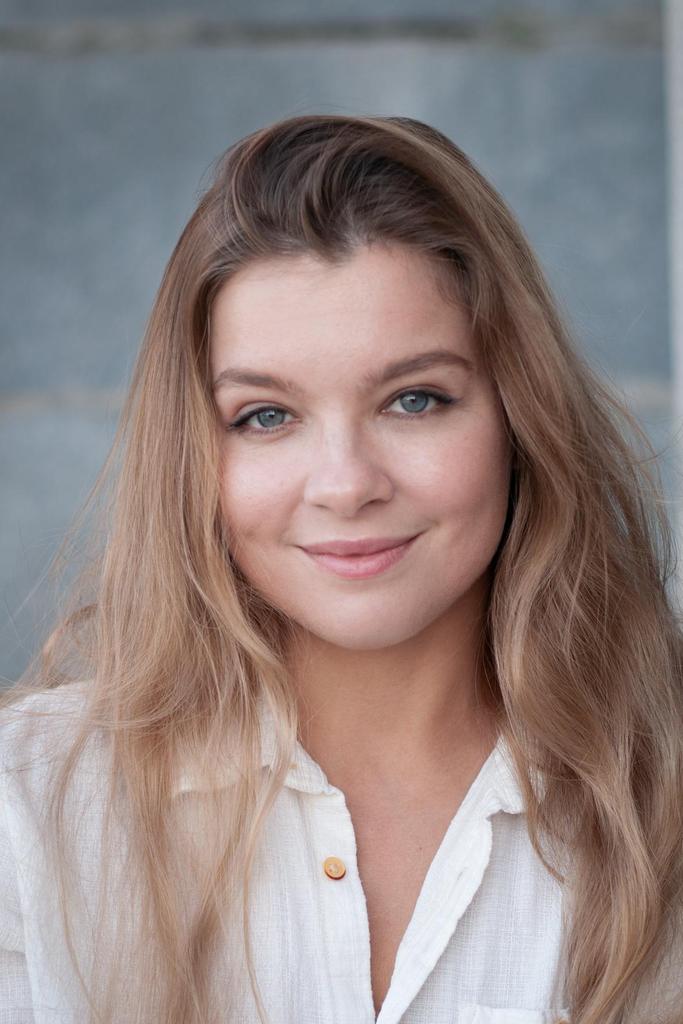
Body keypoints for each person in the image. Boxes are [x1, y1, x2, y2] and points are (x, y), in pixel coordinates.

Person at [1, 113, 681, 1024]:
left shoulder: (662, 791)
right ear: (193, 455)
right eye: (266, 416)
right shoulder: (28, 809)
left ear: (518, 416)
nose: (346, 484)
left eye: (414, 400)